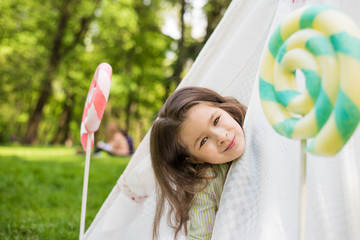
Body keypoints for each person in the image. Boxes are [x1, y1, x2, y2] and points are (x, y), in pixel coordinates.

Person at [150, 86, 247, 239]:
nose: (221, 137)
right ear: (195, 158)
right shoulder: (208, 182)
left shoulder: (260, 123)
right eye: (203, 141)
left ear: (224, 109)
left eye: (216, 120)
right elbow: (201, 235)